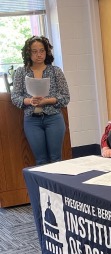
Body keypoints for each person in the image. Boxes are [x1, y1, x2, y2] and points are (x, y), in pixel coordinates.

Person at [11, 36, 70, 165]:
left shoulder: (55, 71)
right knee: (41, 160)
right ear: (28, 53)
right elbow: (15, 97)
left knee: (56, 159)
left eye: (42, 50)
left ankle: (56, 185)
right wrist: (29, 101)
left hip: (53, 118)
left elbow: (65, 97)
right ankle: (43, 186)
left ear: (46, 52)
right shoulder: (21, 72)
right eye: (35, 51)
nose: (39, 54)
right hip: (32, 120)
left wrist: (47, 101)